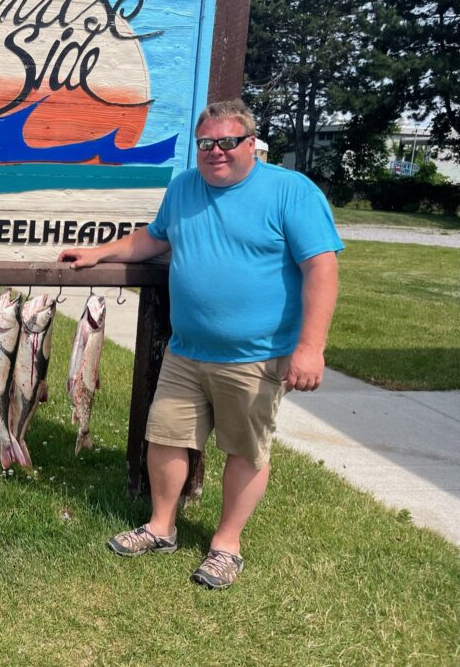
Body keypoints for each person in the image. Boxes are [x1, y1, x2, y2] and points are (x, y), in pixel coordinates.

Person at [58, 99, 342, 590]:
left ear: (251, 144)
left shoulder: (290, 192)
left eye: (228, 141)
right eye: (206, 143)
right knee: (165, 436)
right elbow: (152, 239)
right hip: (187, 350)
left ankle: (226, 546)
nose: (216, 152)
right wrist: (98, 253)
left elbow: (322, 268)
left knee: (245, 450)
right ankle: (160, 526)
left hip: (256, 355)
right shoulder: (184, 187)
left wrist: (310, 347)